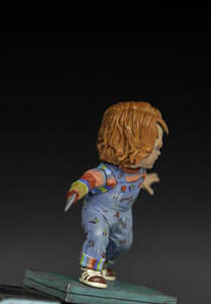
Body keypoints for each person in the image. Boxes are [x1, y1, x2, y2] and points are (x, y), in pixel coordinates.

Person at [65, 101, 168, 289]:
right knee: (98, 235)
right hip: (99, 211)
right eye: (156, 148)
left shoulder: (139, 170)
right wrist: (79, 188)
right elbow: (91, 178)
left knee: (123, 243)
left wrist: (144, 182)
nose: (159, 153)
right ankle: (91, 270)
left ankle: (104, 262)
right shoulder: (109, 173)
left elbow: (135, 180)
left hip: (123, 214)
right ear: (134, 147)